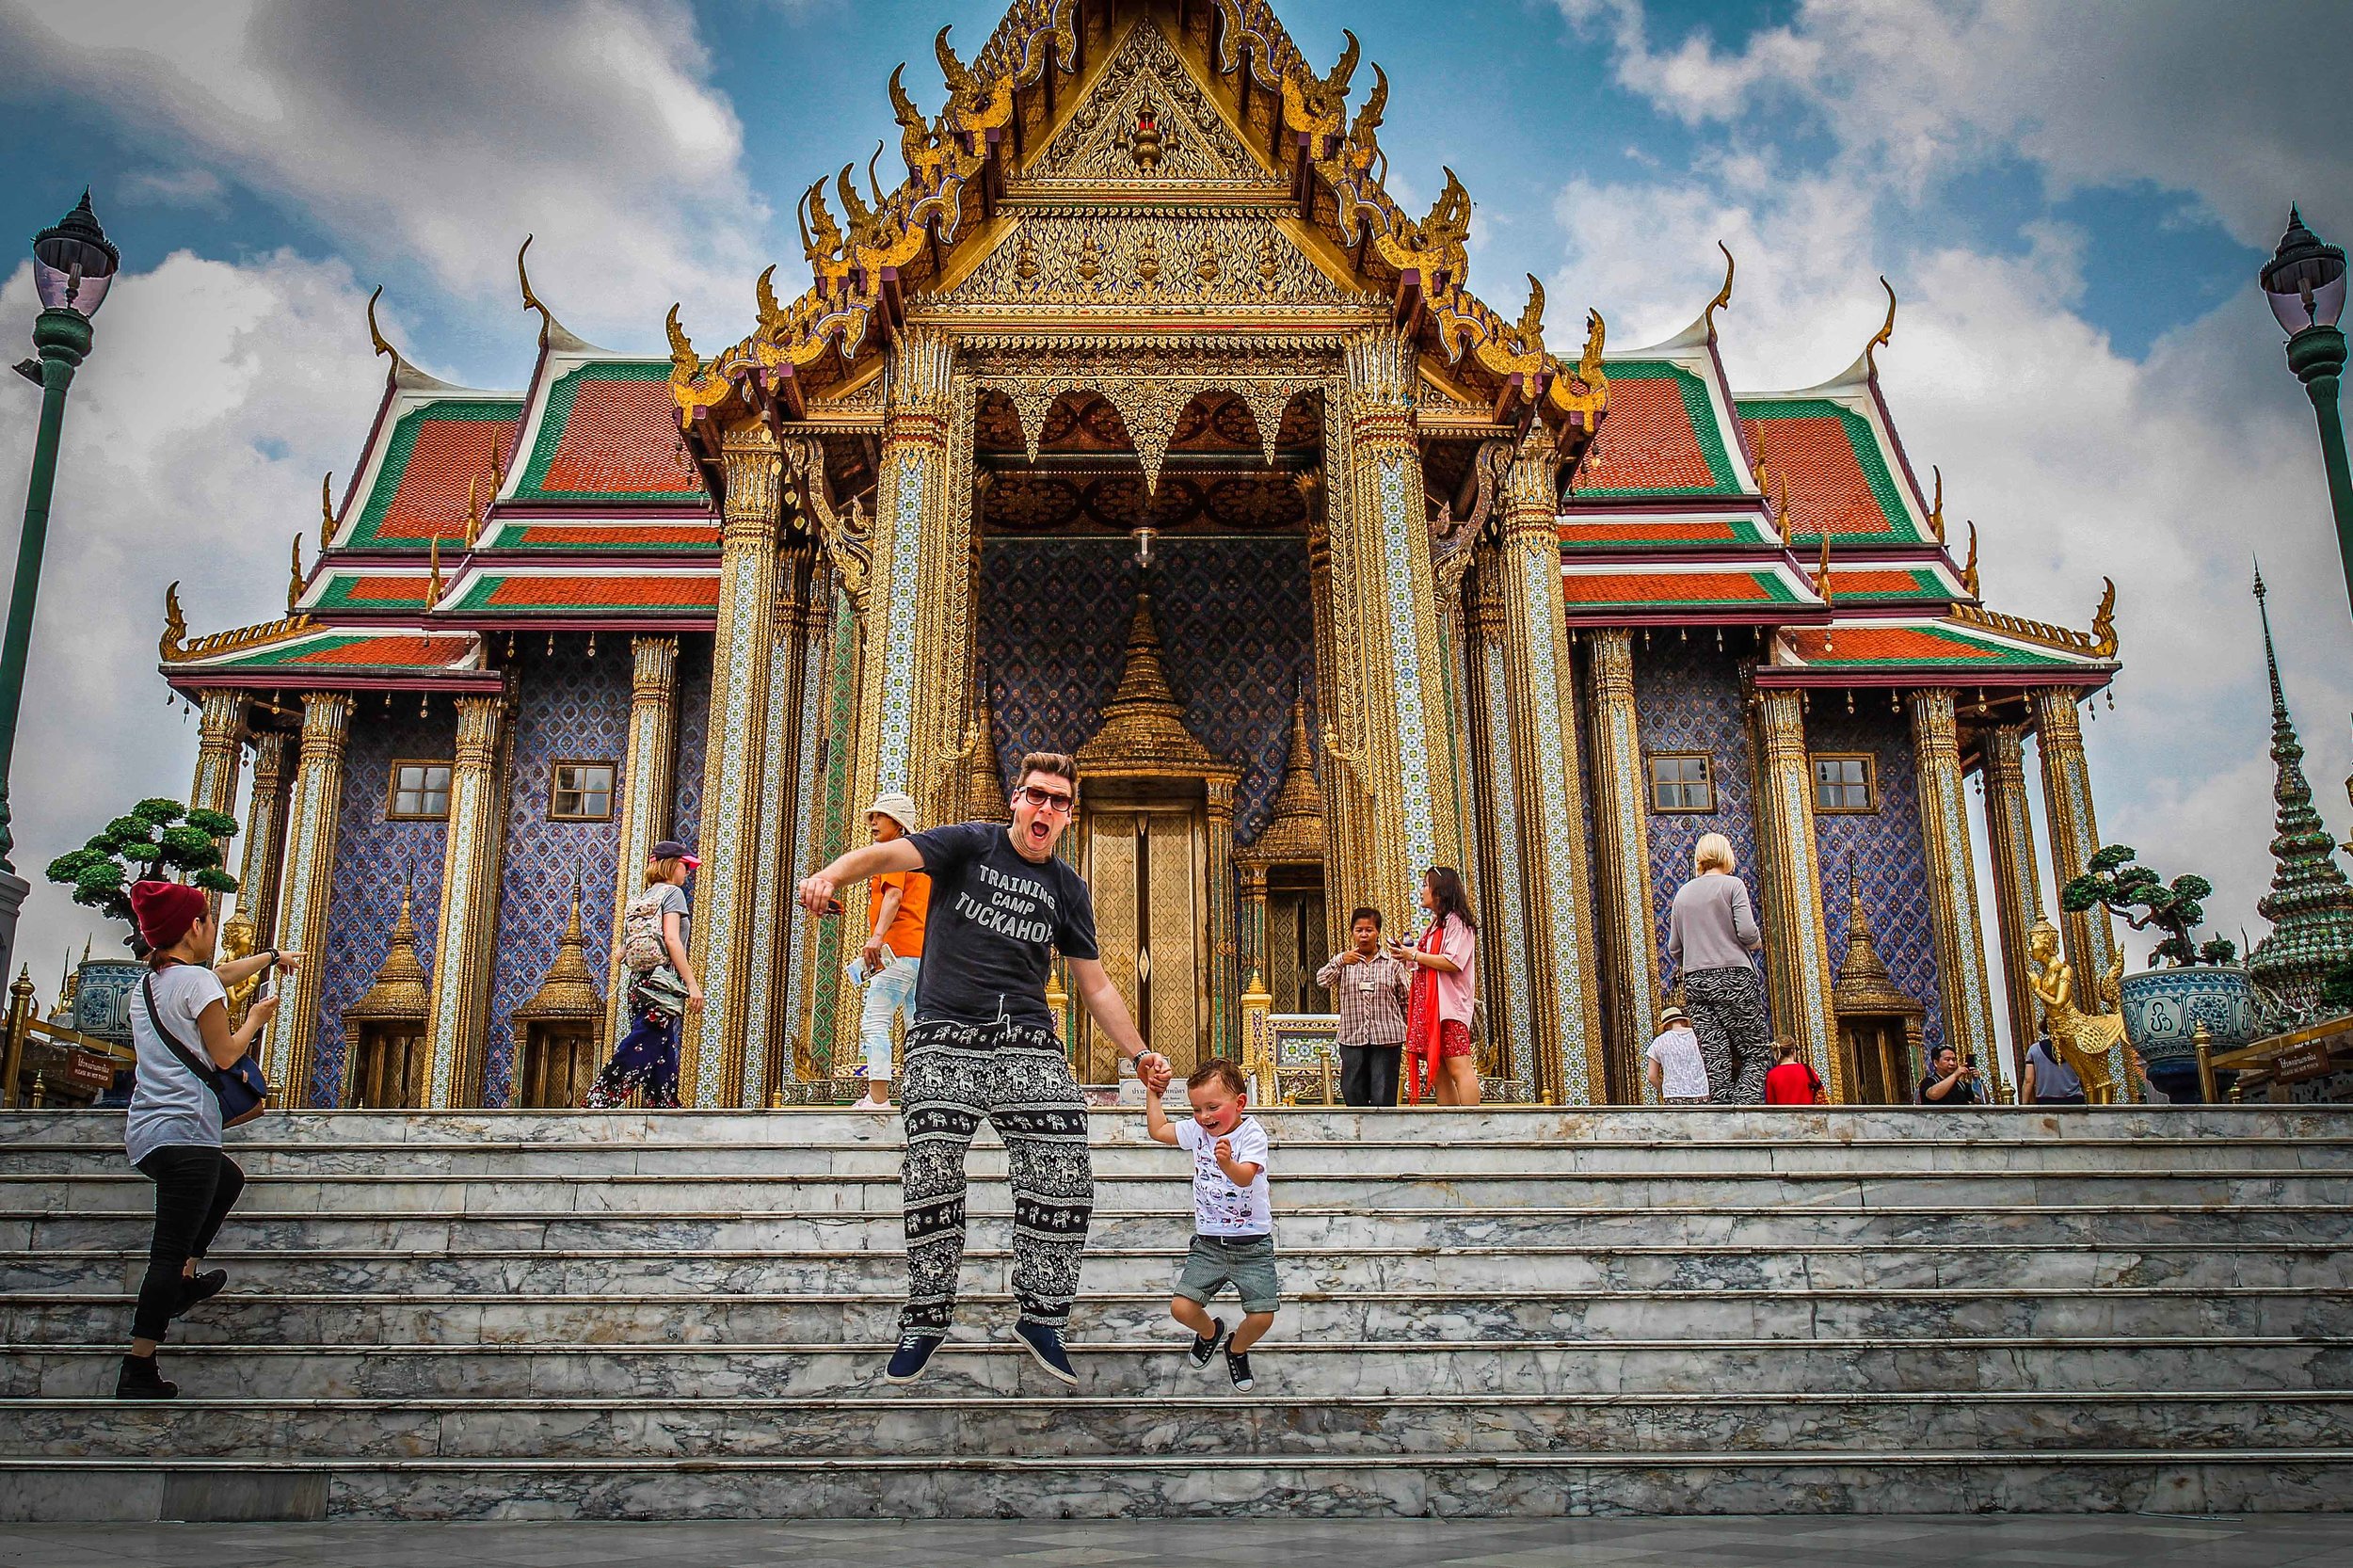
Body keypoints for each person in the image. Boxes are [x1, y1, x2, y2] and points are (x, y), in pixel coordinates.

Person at [799, 751, 1173, 1389]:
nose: (1045, 809)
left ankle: (1042, 1315)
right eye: (1036, 796)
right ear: (1016, 801)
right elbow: (885, 858)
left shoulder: (1068, 887)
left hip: (1027, 1038)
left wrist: (1140, 1055)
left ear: (1069, 817)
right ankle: (927, 1316)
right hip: (945, 1033)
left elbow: (1097, 986)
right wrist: (830, 874)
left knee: (1064, 1169)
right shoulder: (968, 845)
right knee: (933, 1167)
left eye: (1058, 802)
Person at [118, 880, 298, 1400]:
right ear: (194, 927)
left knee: (228, 1179)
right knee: (166, 1254)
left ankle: (185, 1279)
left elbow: (218, 976)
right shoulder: (197, 986)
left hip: (150, 1132)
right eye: (210, 921)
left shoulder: (149, 985)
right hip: (187, 1135)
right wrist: (257, 1020)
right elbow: (224, 1056)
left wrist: (270, 956)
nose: (215, 930)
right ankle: (139, 1366)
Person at [1145, 1059, 1277, 1392]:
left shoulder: (1252, 1133)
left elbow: (1246, 1177)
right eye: (1197, 1109)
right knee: (1182, 1307)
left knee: (1262, 1316)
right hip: (1209, 1243)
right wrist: (1153, 1094)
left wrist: (1227, 1163)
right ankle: (1210, 1332)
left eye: (1213, 1107)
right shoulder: (1198, 1131)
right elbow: (1158, 1131)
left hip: (1252, 1245)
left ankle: (1237, 1348)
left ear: (1240, 1103)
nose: (1204, 1117)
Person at [585, 840, 703, 1109]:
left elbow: (619, 953)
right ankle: (600, 1098)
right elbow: (672, 940)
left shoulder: (641, 899)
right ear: (671, 865)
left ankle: (663, 1103)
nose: (687, 872)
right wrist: (692, 984)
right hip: (661, 983)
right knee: (644, 1042)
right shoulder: (672, 894)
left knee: (662, 1046)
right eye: (685, 866)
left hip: (638, 983)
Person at [1668, 833, 1769, 1104]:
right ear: (1727, 855)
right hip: (1733, 976)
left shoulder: (1683, 894)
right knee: (1755, 1053)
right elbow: (1747, 932)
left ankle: (1723, 1111)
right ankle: (1742, 1109)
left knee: (1716, 1057)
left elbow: (1674, 948)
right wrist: (1756, 942)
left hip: (1696, 981)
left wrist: (1695, 960)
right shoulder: (1732, 886)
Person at [854, 792, 930, 1112]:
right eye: (872, 816)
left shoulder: (893, 853)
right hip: (920, 952)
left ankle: (879, 1098)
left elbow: (894, 895)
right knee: (918, 1025)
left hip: (896, 950)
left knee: (875, 1021)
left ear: (897, 824)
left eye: (879, 817)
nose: (872, 822)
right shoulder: (920, 856)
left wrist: (877, 937)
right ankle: (921, 1094)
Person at [1391, 867, 1479, 1106]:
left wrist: (1416, 955)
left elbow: (1452, 961)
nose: (1421, 891)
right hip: (1430, 1007)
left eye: (1425, 885)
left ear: (1439, 892)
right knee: (1438, 1070)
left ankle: (1474, 1127)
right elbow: (1426, 961)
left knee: (1459, 1067)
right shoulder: (1434, 926)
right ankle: (1449, 1126)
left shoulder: (1457, 923)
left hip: (1448, 1007)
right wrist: (1408, 955)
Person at [1315, 907, 1411, 1108]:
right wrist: (1340, 960)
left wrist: (1410, 1029)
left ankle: (1382, 1138)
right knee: (1352, 1089)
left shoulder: (1392, 963)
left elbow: (1405, 999)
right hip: (1353, 1036)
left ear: (1378, 932)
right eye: (1359, 930)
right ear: (1352, 932)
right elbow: (1321, 980)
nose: (1364, 935)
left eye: (1369, 930)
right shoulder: (1345, 963)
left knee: (1383, 1093)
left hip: (1387, 1036)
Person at [1644, 1005, 1710, 1105]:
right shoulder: (1699, 1037)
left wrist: (1664, 1091)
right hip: (1701, 1092)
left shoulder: (1659, 1042)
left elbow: (1651, 1076)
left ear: (1666, 1026)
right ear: (1683, 1021)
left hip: (1673, 1096)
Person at [2022, 1033, 2086, 1106]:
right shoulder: (2076, 1048)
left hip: (2046, 1102)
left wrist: (2024, 1106)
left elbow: (2028, 1080)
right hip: (2074, 1101)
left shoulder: (2034, 1049)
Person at [1763, 1040, 1829, 1105]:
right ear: (1793, 1051)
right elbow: (1820, 1094)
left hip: (1783, 1115)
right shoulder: (1807, 1069)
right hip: (1807, 1114)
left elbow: (1771, 1105)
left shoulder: (1771, 1074)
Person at [1918, 1045, 1985, 1105]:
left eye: (1954, 1059)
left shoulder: (1961, 1085)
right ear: (1936, 1063)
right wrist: (1955, 1075)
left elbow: (1982, 1100)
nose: (1952, 1063)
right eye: (1947, 1060)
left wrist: (1978, 1081)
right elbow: (1933, 1095)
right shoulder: (1929, 1081)